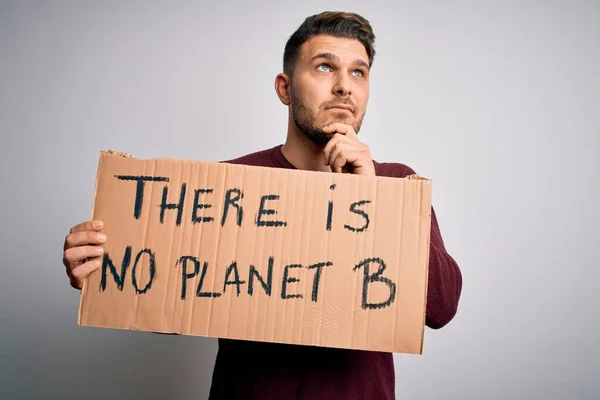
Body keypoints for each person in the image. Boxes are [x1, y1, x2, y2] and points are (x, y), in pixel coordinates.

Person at [62, 11, 462, 399]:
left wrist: (373, 200)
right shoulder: (230, 187)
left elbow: (441, 308)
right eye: (324, 67)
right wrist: (105, 266)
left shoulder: (396, 183)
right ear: (285, 88)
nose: (344, 86)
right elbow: (179, 298)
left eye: (358, 72)